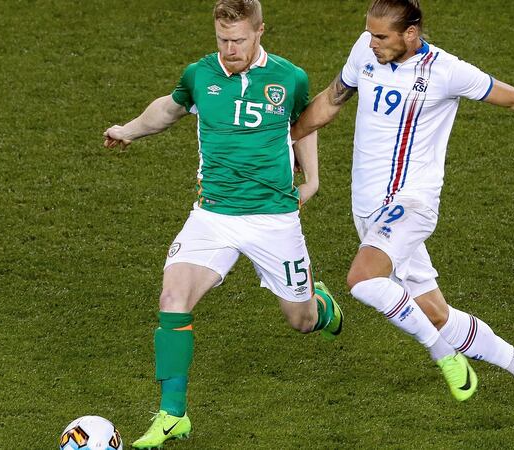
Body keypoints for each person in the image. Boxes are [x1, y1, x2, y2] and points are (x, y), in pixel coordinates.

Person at [292, 0, 514, 425]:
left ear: (411, 33)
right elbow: (332, 100)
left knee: (362, 280)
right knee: (434, 313)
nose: (372, 43)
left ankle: (443, 355)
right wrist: (287, 138)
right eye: (369, 33)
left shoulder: (445, 71)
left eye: (382, 36)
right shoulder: (365, 53)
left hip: (410, 205)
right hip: (369, 212)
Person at [103, 0, 343, 446]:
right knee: (173, 296)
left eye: (238, 40)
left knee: (301, 320)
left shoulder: (289, 78)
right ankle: (173, 415)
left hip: (273, 219)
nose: (230, 49)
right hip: (212, 214)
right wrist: (128, 130)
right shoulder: (200, 75)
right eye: (222, 40)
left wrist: (311, 180)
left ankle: (321, 305)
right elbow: (168, 110)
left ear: (259, 32)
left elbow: (304, 124)